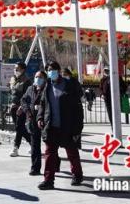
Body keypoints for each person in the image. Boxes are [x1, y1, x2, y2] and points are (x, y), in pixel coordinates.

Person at [37, 61, 84, 190]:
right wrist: (40, 117)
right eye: (48, 70)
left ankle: (77, 175)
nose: (50, 72)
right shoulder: (47, 86)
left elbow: (78, 109)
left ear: (58, 71)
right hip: (51, 126)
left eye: (52, 70)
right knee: (49, 154)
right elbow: (43, 104)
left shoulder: (69, 86)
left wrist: (77, 129)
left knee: (72, 152)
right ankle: (48, 180)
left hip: (67, 126)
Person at [20, 70, 47, 176]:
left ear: (44, 79)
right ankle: (35, 168)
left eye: (40, 77)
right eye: (36, 77)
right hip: (32, 119)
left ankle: (55, 163)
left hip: (45, 119)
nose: (37, 79)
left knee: (50, 145)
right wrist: (27, 110)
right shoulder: (30, 88)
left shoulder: (47, 89)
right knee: (35, 145)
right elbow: (23, 100)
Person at [9, 62, 32, 157]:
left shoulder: (27, 81)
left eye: (17, 68)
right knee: (20, 128)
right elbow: (12, 92)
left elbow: (27, 96)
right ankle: (33, 143)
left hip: (21, 107)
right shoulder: (13, 79)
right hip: (13, 106)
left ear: (23, 70)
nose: (15, 70)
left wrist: (22, 106)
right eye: (15, 68)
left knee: (19, 127)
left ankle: (16, 148)